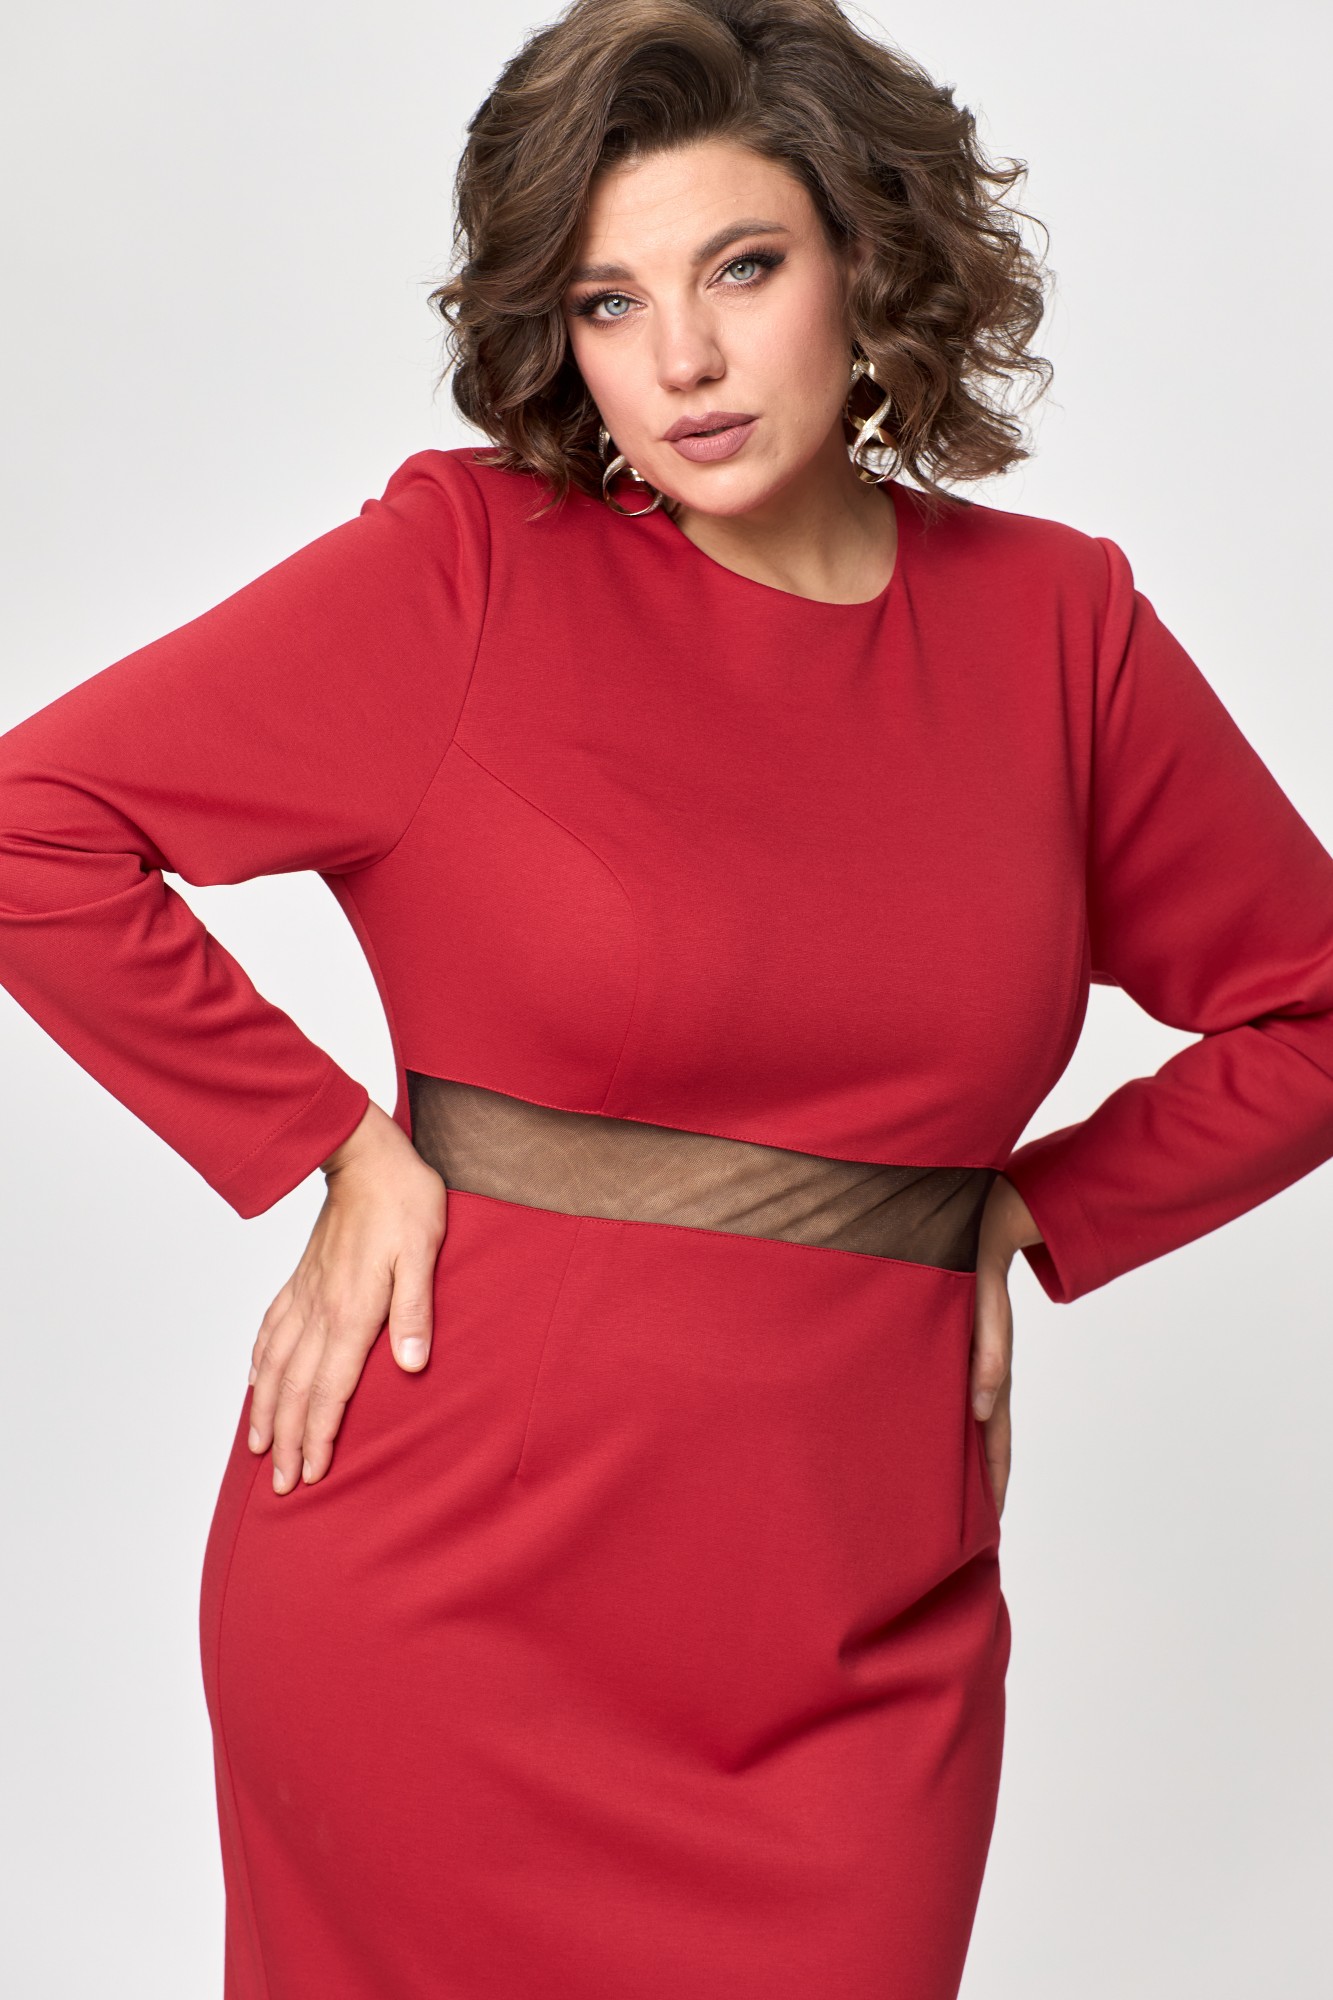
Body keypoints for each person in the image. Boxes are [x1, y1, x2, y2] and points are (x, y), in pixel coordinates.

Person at [1, 0, 1330, 1993]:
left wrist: (1034, 1208)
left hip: (855, 1648)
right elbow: (34, 824)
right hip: (434, 1618)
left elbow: (1311, 1004)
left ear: (867, 261)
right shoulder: (468, 569)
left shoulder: (1062, 632)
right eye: (609, 303)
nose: (682, 361)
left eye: (741, 269)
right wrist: (325, 1143)